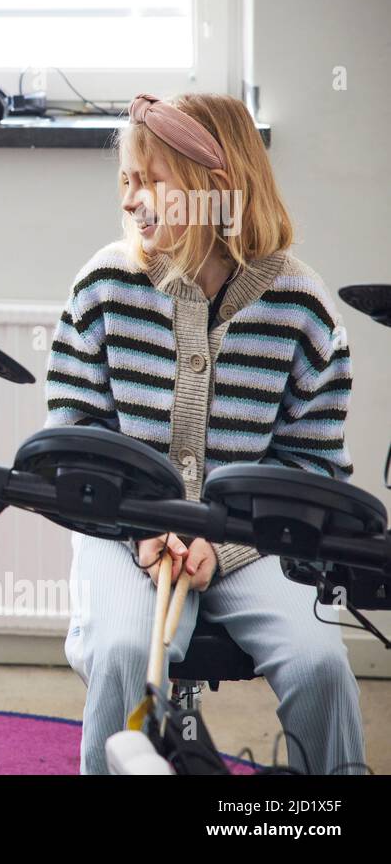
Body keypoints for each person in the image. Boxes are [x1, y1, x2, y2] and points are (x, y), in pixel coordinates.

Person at [47, 91, 365, 774]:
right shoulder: (103, 286)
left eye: (151, 181)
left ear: (215, 192)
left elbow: (314, 470)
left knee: (321, 666)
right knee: (125, 654)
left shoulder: (304, 310)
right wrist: (142, 528)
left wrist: (220, 547)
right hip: (121, 527)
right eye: (125, 182)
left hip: (251, 540)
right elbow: (75, 440)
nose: (132, 201)